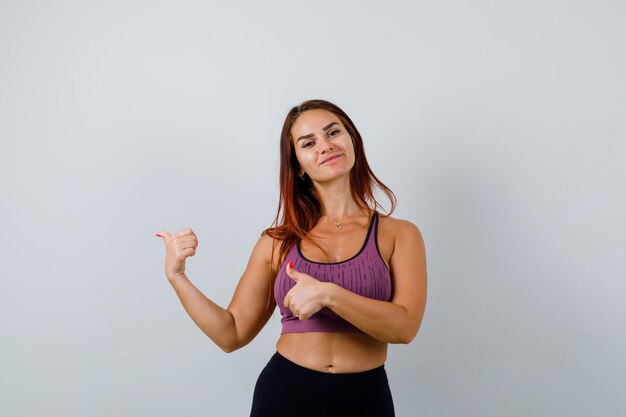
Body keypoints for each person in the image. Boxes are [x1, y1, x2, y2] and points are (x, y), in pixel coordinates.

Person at [155, 99, 427, 417]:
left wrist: (328, 294)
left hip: (365, 399)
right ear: (298, 164)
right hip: (286, 394)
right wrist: (177, 277)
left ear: (352, 140)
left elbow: (405, 328)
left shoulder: (400, 234)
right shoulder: (277, 242)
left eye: (333, 133)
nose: (325, 146)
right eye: (308, 143)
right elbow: (231, 334)